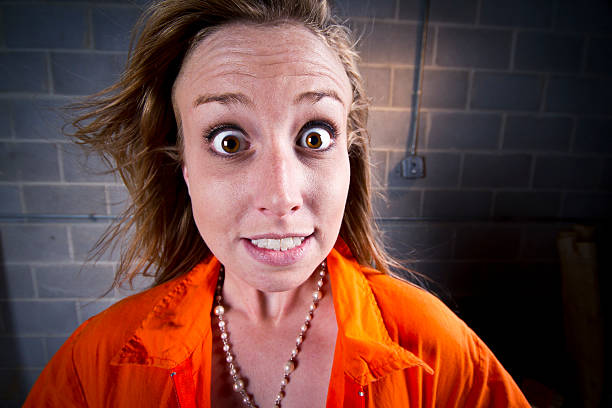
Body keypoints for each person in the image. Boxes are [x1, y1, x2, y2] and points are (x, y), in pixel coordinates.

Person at [24, 0, 530, 407]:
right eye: (228, 141)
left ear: (349, 156)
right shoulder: (94, 365)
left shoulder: (435, 350)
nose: (282, 198)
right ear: (184, 169)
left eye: (314, 136)